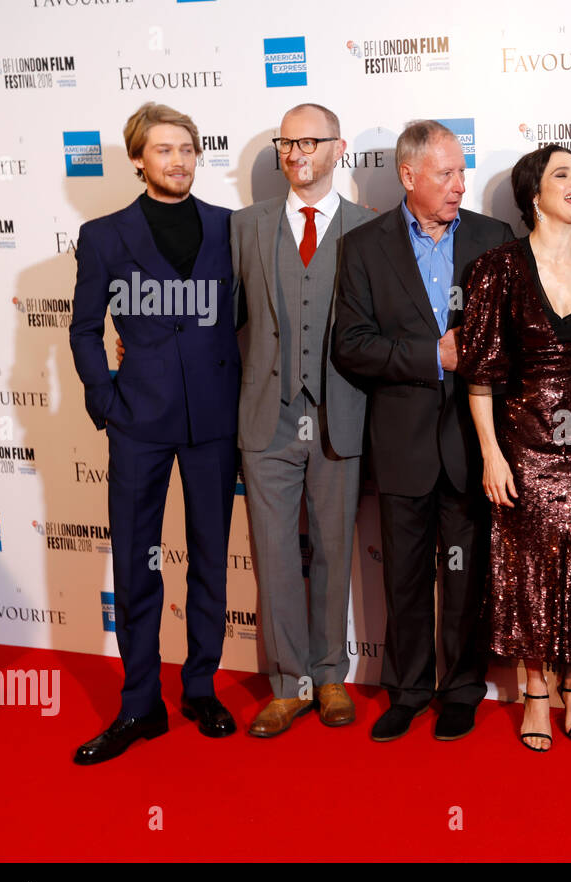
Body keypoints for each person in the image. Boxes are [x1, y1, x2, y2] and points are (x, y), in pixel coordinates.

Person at [332, 121, 513, 743]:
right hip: (402, 443)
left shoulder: (494, 238)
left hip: (473, 442)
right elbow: (350, 345)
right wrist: (432, 356)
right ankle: (407, 691)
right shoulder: (364, 246)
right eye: (446, 174)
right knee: (404, 575)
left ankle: (462, 689)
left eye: (463, 172)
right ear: (408, 176)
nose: (460, 185)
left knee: (465, 576)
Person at [69, 101, 239, 764]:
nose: (179, 161)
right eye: (164, 150)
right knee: (137, 562)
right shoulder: (104, 235)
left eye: (188, 150)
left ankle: (200, 687)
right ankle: (140, 703)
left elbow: (245, 319)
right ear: (139, 159)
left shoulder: (231, 228)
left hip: (214, 420)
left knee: (209, 558)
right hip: (138, 420)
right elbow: (84, 328)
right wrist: (106, 400)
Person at [457, 144, 571, 752]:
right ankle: (535, 693)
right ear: (534, 194)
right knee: (524, 573)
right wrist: (491, 454)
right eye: (563, 174)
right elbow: (479, 374)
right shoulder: (497, 268)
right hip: (521, 443)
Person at [231, 104, 377, 737]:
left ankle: (330, 677)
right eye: (286, 143)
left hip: (339, 419)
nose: (295, 153)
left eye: (309, 142)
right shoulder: (245, 228)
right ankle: (288, 684)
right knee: (275, 557)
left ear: (337, 148)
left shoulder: (371, 230)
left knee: (335, 549)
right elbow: (216, 319)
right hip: (267, 420)